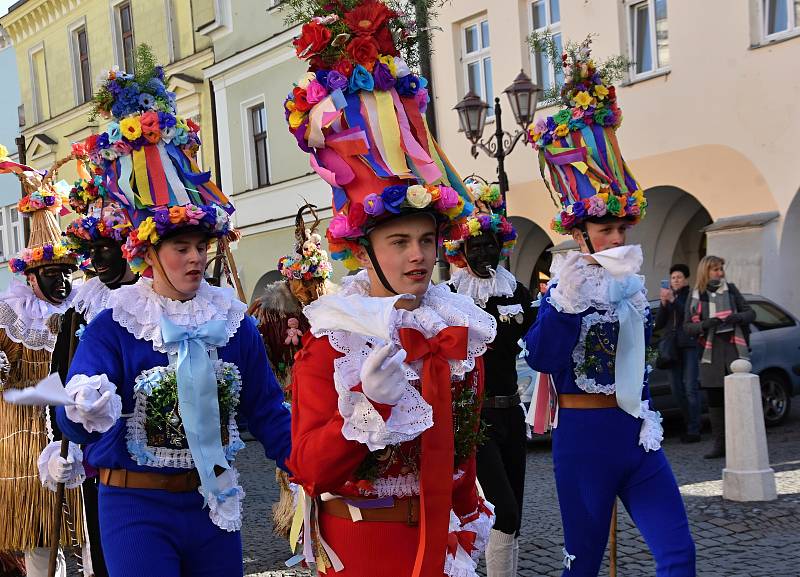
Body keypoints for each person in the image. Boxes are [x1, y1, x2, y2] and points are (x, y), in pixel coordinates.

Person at [51, 49, 291, 577]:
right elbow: (80, 410)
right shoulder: (115, 323)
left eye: (201, 245)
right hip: (135, 507)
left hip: (214, 503)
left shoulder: (232, 324)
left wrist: (316, 464)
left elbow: (267, 410)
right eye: (180, 246)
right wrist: (86, 404)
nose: (196, 257)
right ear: (149, 255)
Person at [283, 3, 496, 575]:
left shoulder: (455, 327)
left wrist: (468, 511)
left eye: (426, 240)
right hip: (364, 546)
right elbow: (309, 467)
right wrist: (371, 405)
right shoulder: (334, 340)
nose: (418, 255)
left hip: (443, 540)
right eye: (399, 241)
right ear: (364, 250)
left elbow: (462, 444)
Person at [524, 39, 695, 576]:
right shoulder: (563, 286)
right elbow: (541, 357)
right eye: (606, 228)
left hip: (640, 437)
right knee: (583, 567)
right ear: (581, 232)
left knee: (678, 554)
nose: (618, 236)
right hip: (585, 443)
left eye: (623, 226)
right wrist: (567, 306)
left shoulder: (634, 285)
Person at [443, 179, 535, 577]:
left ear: (502, 246)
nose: (483, 252)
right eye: (474, 246)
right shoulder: (450, 295)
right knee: (503, 507)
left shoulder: (518, 291)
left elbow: (541, 344)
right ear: (461, 253)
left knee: (514, 510)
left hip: (511, 413)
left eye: (489, 244)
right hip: (472, 419)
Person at [0, 149, 83, 577]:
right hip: (25, 433)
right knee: (40, 535)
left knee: (86, 530)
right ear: (30, 277)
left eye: (67, 271)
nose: (63, 281)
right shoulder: (8, 315)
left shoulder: (83, 309)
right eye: (52, 272)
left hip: (77, 423)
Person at [684, 256, 754, 459]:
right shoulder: (697, 295)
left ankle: (742, 442)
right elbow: (687, 327)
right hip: (710, 352)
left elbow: (750, 313)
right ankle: (720, 444)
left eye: (721, 269)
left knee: (739, 396)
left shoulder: (731, 289)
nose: (720, 273)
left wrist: (738, 317)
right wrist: (705, 324)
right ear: (706, 271)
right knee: (715, 400)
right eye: (715, 269)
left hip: (734, 348)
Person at [655, 263, 701, 443]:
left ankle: (694, 429)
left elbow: (688, 314)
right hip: (671, 348)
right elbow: (659, 324)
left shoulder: (691, 295)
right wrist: (664, 303)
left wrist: (674, 300)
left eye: (679, 277)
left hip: (688, 345)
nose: (675, 280)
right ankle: (689, 423)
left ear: (686, 279)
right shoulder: (668, 296)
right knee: (676, 389)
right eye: (673, 278)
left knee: (690, 388)